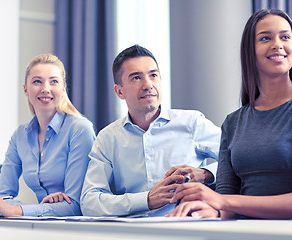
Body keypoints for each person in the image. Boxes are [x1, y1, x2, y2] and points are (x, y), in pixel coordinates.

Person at [167, 9, 292, 220]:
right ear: (250, 50)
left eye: (285, 37)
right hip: (242, 231)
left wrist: (220, 201)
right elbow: (227, 198)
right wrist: (208, 210)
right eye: (265, 38)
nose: (277, 44)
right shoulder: (233, 122)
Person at [80, 45, 221, 217]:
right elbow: (89, 201)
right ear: (119, 91)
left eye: (153, 75)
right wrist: (146, 200)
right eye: (136, 78)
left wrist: (206, 174)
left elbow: (239, 162)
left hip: (187, 228)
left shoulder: (192, 123)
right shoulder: (107, 138)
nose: (148, 85)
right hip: (134, 233)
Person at [0, 54, 96, 217]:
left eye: (54, 81)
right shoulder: (20, 135)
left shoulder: (80, 129)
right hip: (43, 224)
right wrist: (0, 205)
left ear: (63, 88)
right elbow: (2, 197)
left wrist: (17, 210)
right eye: (37, 81)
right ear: (25, 89)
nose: (45, 89)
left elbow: (76, 206)